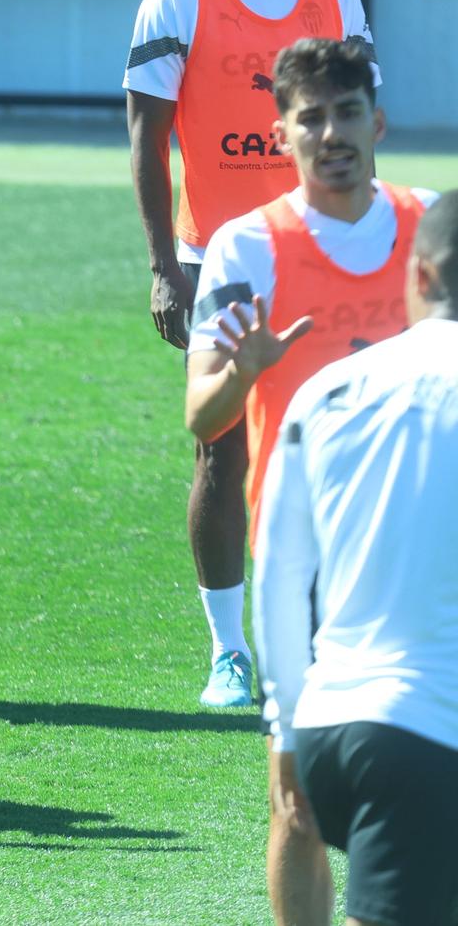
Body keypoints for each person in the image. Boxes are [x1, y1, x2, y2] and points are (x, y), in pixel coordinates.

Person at [124, 0, 378, 709]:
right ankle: (229, 653)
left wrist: (366, 237)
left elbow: (361, 124)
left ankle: (337, 634)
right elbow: (146, 138)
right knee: (220, 448)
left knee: (343, 443)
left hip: (319, 249)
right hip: (219, 254)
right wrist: (164, 265)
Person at [182, 38, 432, 926]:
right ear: (281, 133)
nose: (333, 132)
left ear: (379, 122)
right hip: (311, 561)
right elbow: (202, 419)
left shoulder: (432, 228)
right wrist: (244, 371)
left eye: (348, 112)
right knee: (300, 801)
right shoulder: (246, 247)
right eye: (312, 117)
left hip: (428, 554)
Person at [254, 193, 458, 926]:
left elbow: (279, 573)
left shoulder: (328, 389)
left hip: (330, 729)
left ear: (423, 277)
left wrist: (284, 726)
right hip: (426, 735)